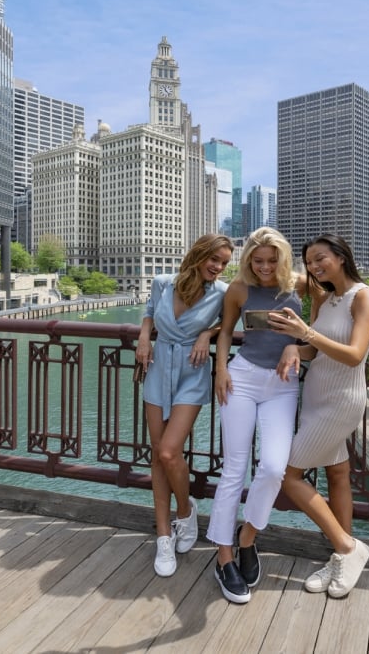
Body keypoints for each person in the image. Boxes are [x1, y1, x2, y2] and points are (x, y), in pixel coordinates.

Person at [273, 233, 369, 599]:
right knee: (337, 473)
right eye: (310, 262)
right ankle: (341, 555)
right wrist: (294, 344)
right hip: (316, 396)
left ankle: (351, 549)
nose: (316, 266)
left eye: (321, 258)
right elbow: (315, 352)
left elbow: (354, 354)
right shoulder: (327, 298)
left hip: (341, 400)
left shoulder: (363, 296)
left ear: (340, 255)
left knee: (287, 475)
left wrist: (304, 333)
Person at [206, 227, 311, 604]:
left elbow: (324, 324)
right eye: (258, 260)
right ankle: (224, 555)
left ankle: (248, 538)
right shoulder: (238, 288)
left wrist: (297, 346)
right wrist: (221, 369)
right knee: (234, 468)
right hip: (243, 378)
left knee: (271, 468)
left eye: (272, 260)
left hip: (283, 385)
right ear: (248, 258)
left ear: (283, 258)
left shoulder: (302, 284)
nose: (265, 267)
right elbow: (225, 332)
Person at [135, 233, 233, 578]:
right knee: (156, 453)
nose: (218, 268)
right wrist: (145, 337)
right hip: (157, 367)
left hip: (192, 373)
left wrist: (208, 333)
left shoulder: (222, 292)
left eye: (223, 263)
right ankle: (163, 535)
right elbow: (148, 313)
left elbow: (235, 325)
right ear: (198, 254)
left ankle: (184, 510)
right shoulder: (163, 283)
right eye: (214, 260)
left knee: (168, 451)